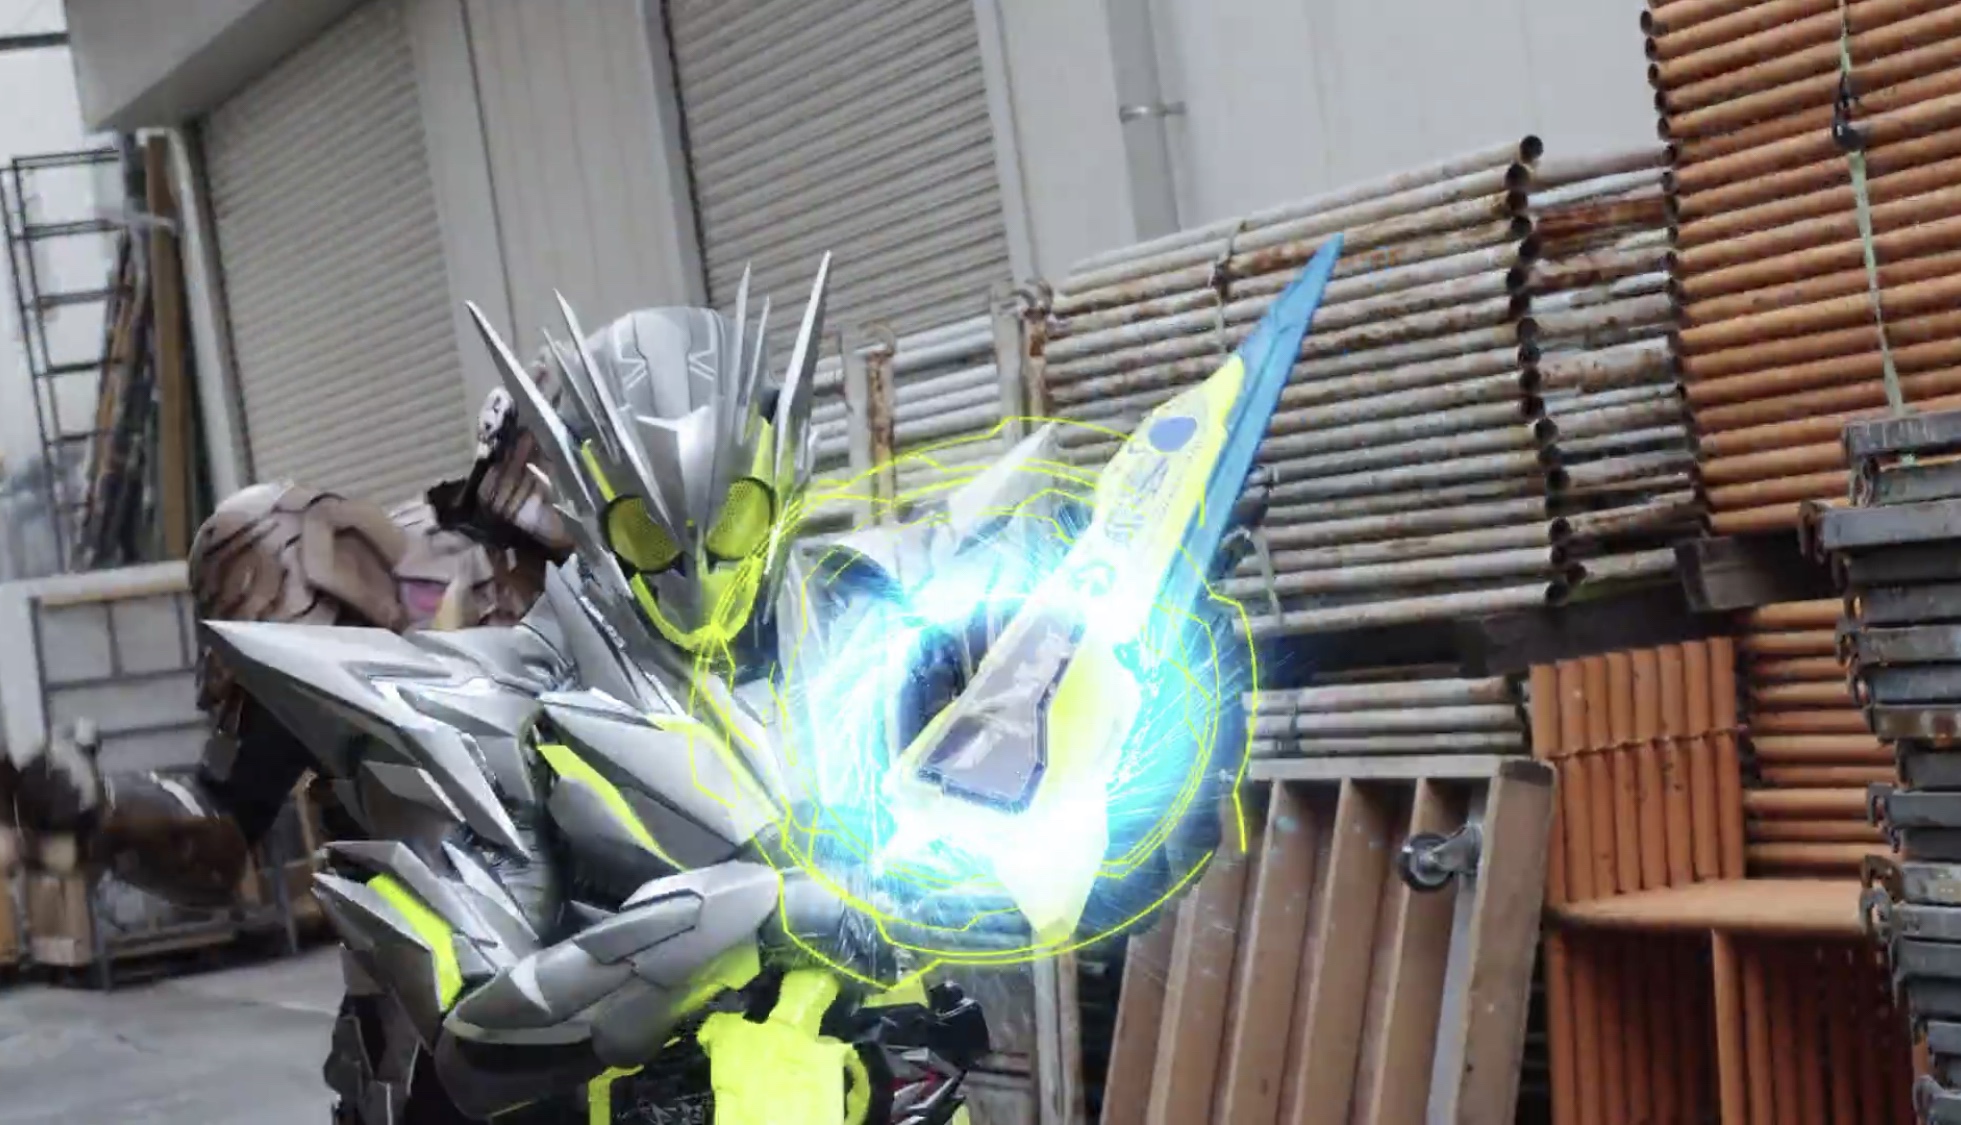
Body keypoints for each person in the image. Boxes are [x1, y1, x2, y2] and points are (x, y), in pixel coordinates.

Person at [2, 261, 1000, 1124]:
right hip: (462, 1053)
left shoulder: (741, 595)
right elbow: (222, 832)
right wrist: (101, 815)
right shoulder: (369, 586)